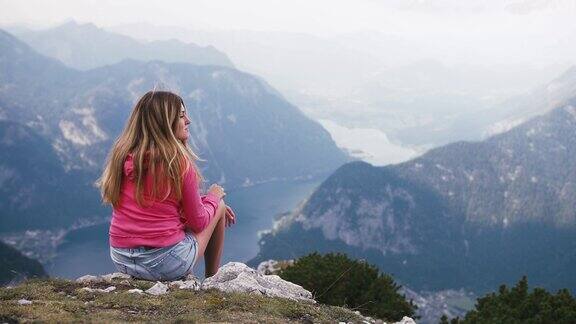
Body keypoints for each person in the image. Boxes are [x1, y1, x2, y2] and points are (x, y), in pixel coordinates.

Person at [98, 90, 236, 281]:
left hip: (122, 258)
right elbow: (198, 223)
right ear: (165, 122)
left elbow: (158, 207)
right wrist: (213, 198)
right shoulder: (177, 162)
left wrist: (206, 204)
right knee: (218, 206)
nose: (188, 120)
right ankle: (213, 280)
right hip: (165, 262)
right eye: (181, 116)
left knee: (210, 208)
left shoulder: (122, 155)